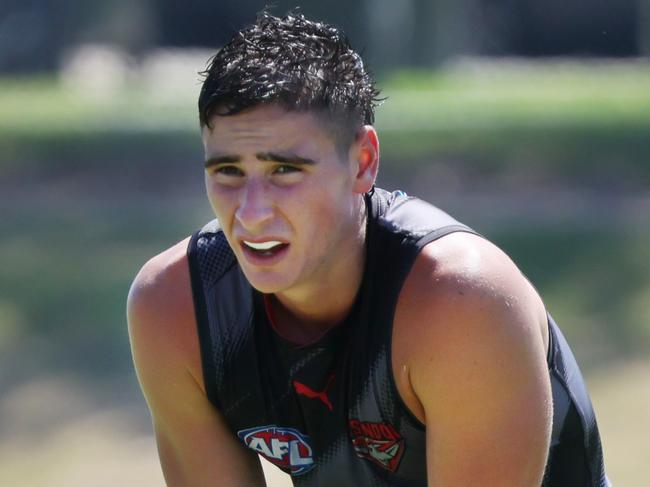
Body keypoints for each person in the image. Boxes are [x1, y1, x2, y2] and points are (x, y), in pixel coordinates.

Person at [127, 12, 610, 487]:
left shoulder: (460, 301)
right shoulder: (178, 309)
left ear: (363, 162)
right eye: (227, 172)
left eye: (285, 171)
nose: (251, 213)